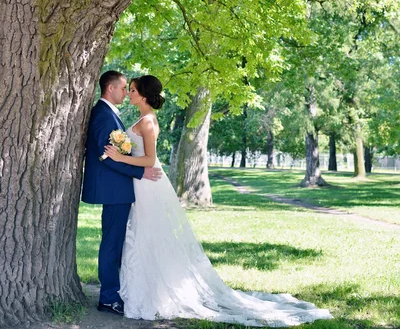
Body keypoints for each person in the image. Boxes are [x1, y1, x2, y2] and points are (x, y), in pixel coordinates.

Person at [104, 74, 333, 327]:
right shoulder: (141, 118)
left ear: (144, 95)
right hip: (141, 184)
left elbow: (149, 160)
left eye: (133, 90)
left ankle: (152, 293)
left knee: (147, 235)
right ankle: (144, 289)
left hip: (147, 182)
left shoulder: (147, 122)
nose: (129, 93)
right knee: (142, 236)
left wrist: (119, 157)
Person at [81, 70, 162, 316]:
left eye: (131, 89)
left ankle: (114, 293)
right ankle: (107, 298)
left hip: (118, 188)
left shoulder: (109, 115)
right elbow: (106, 156)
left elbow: (114, 154)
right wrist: (140, 173)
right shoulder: (104, 116)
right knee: (112, 245)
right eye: (124, 88)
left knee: (115, 244)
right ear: (110, 89)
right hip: (114, 190)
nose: (126, 93)